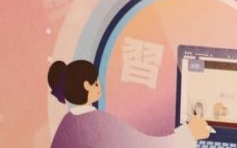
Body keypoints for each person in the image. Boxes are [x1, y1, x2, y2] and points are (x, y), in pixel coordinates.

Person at [47, 59, 211, 148]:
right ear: (87, 85)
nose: (100, 85)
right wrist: (189, 133)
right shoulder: (97, 122)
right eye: (96, 82)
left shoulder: (67, 123)